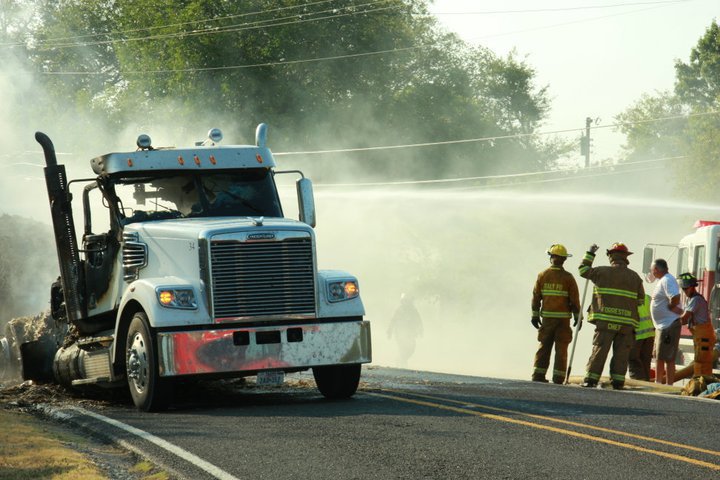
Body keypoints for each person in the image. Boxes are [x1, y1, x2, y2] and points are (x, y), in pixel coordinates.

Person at [578, 242, 645, 389]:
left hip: (605, 321)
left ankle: (591, 380)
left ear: (610, 256)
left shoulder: (601, 272)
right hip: (626, 324)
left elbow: (583, 270)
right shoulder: (635, 277)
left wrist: (590, 253)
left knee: (600, 350)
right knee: (622, 354)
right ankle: (618, 381)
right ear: (626, 257)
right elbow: (640, 301)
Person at [531, 244, 581, 384]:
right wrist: (578, 318)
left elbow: (536, 297)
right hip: (563, 321)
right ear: (564, 259)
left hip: (547, 319)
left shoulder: (543, 275)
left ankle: (538, 375)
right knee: (561, 349)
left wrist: (535, 315)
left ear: (550, 257)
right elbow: (575, 300)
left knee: (544, 347)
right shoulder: (568, 278)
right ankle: (558, 378)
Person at [676, 272, 717, 378]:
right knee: (701, 362)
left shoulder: (696, 300)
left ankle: (701, 382)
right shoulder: (691, 300)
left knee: (701, 362)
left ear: (692, 287)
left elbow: (684, 318)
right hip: (700, 336)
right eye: (683, 289)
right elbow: (685, 320)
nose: (684, 291)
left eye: (686, 289)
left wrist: (670, 322)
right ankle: (701, 382)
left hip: (703, 336)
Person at [649, 259, 681, 385]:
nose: (651, 272)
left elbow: (675, 297)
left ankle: (668, 385)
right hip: (662, 325)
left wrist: (671, 307)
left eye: (652, 270)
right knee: (659, 356)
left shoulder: (668, 279)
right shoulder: (662, 281)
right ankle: (658, 382)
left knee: (667, 357)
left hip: (669, 324)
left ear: (656, 269)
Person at [387, 293, 423, 367]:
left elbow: (418, 320)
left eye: (410, 301)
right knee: (403, 347)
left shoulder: (413, 310)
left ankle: (402, 359)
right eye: (406, 301)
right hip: (400, 333)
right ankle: (401, 362)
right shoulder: (399, 310)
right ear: (403, 301)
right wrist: (389, 331)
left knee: (412, 348)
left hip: (411, 333)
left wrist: (421, 330)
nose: (408, 302)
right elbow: (393, 320)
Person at [628, 294, 655, 381]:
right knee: (645, 361)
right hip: (649, 334)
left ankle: (638, 381)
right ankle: (646, 383)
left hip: (636, 333)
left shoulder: (629, 297)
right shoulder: (647, 297)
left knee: (632, 358)